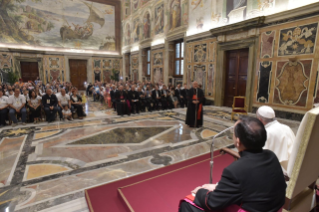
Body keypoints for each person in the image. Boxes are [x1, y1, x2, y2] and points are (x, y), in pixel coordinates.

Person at [179, 117, 287, 212]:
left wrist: (200, 192)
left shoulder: (235, 170)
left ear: (238, 142)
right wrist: (217, 187)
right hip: (273, 208)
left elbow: (213, 203)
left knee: (187, 204)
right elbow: (253, 185)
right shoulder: (271, 156)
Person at [256, 106, 295, 172]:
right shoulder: (286, 128)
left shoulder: (266, 133)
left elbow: (260, 158)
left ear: (260, 120)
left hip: (275, 172)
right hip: (292, 169)